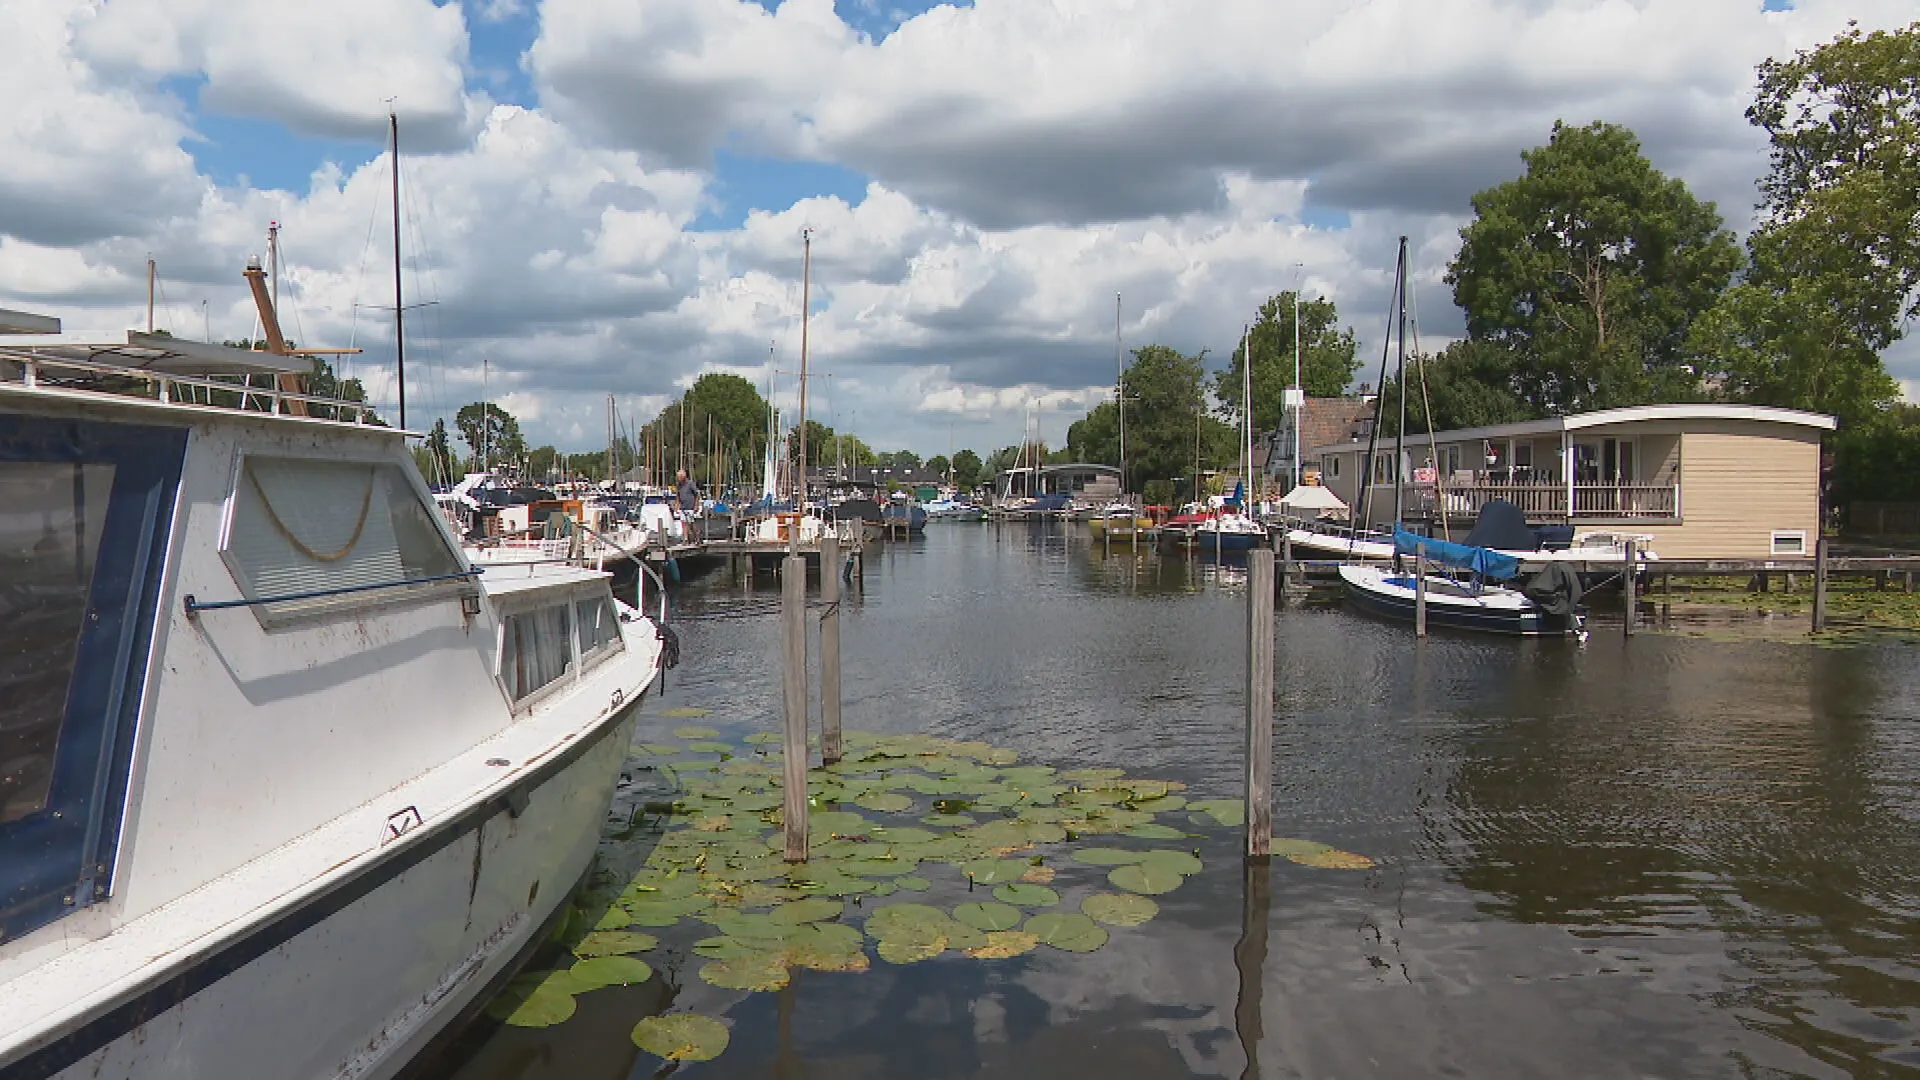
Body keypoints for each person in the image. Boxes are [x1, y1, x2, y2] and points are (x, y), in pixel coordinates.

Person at [675, 469, 699, 541]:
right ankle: (685, 539)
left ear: (684, 477)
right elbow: (678, 496)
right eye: (678, 477)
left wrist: (696, 505)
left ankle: (696, 537)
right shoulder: (678, 485)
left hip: (690, 506)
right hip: (683, 507)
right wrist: (677, 505)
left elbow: (697, 494)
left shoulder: (690, 483)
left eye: (680, 477)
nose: (679, 478)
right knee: (684, 523)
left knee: (691, 523)